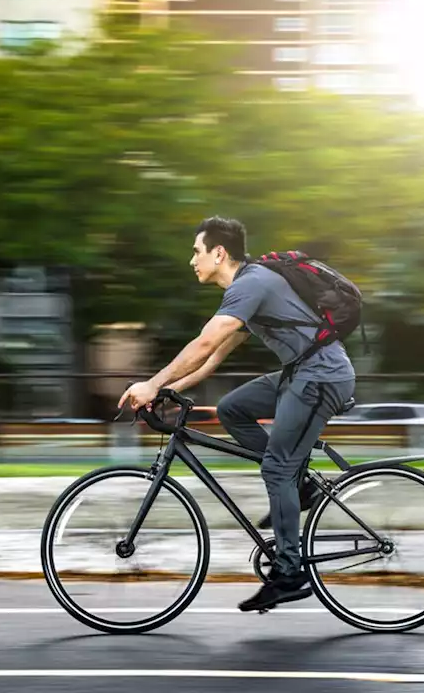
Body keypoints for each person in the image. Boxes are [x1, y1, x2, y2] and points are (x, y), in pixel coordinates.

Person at [119, 216, 356, 612]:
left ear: (219, 253)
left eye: (196, 252)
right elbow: (212, 358)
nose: (191, 260)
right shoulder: (249, 288)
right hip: (303, 373)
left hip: (322, 377)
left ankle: (289, 571)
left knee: (276, 468)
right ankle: (297, 487)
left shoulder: (253, 284)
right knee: (233, 408)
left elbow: (205, 340)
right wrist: (168, 391)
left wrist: (152, 383)